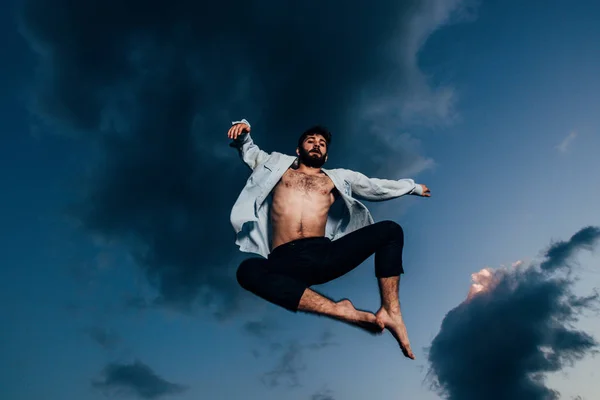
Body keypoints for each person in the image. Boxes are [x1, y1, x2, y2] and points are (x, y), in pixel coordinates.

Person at [228, 119, 431, 359]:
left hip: (323, 255)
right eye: (311, 141)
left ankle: (391, 310)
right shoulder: (275, 165)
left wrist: (412, 187)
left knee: (391, 231)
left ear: (325, 156)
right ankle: (339, 310)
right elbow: (250, 152)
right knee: (247, 271)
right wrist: (243, 132)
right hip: (283, 261)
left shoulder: (337, 178)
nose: (317, 145)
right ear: (298, 149)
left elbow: (375, 187)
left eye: (322, 144)